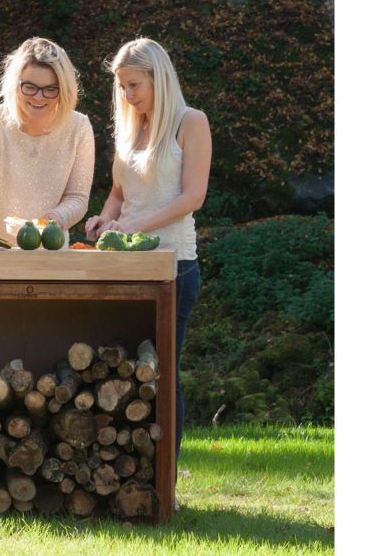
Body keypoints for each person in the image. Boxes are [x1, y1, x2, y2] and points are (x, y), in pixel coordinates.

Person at [85, 38, 212, 476]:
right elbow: (120, 194)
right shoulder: (130, 127)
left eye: (134, 84)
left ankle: (164, 477)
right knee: (120, 371)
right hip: (125, 263)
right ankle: (123, 472)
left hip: (173, 266)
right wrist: (104, 220)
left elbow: (193, 196)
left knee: (162, 374)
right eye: (121, 87)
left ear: (159, 78)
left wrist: (132, 229)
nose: (128, 95)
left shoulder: (190, 122)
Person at [0, 37, 95, 248]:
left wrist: (55, 218)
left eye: (50, 89)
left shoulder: (79, 127)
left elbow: (77, 197)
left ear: (63, 91)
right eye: (29, 87)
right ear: (15, 84)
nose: (38, 97)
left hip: (50, 254)